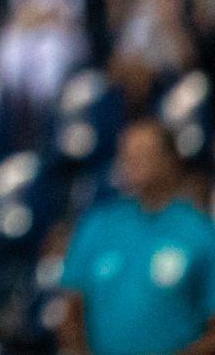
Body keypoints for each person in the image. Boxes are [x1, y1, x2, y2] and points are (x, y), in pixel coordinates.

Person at [59, 120, 215, 355]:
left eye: (143, 153)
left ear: (171, 159)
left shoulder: (200, 232)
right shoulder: (98, 225)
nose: (133, 162)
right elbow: (72, 309)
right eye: (127, 155)